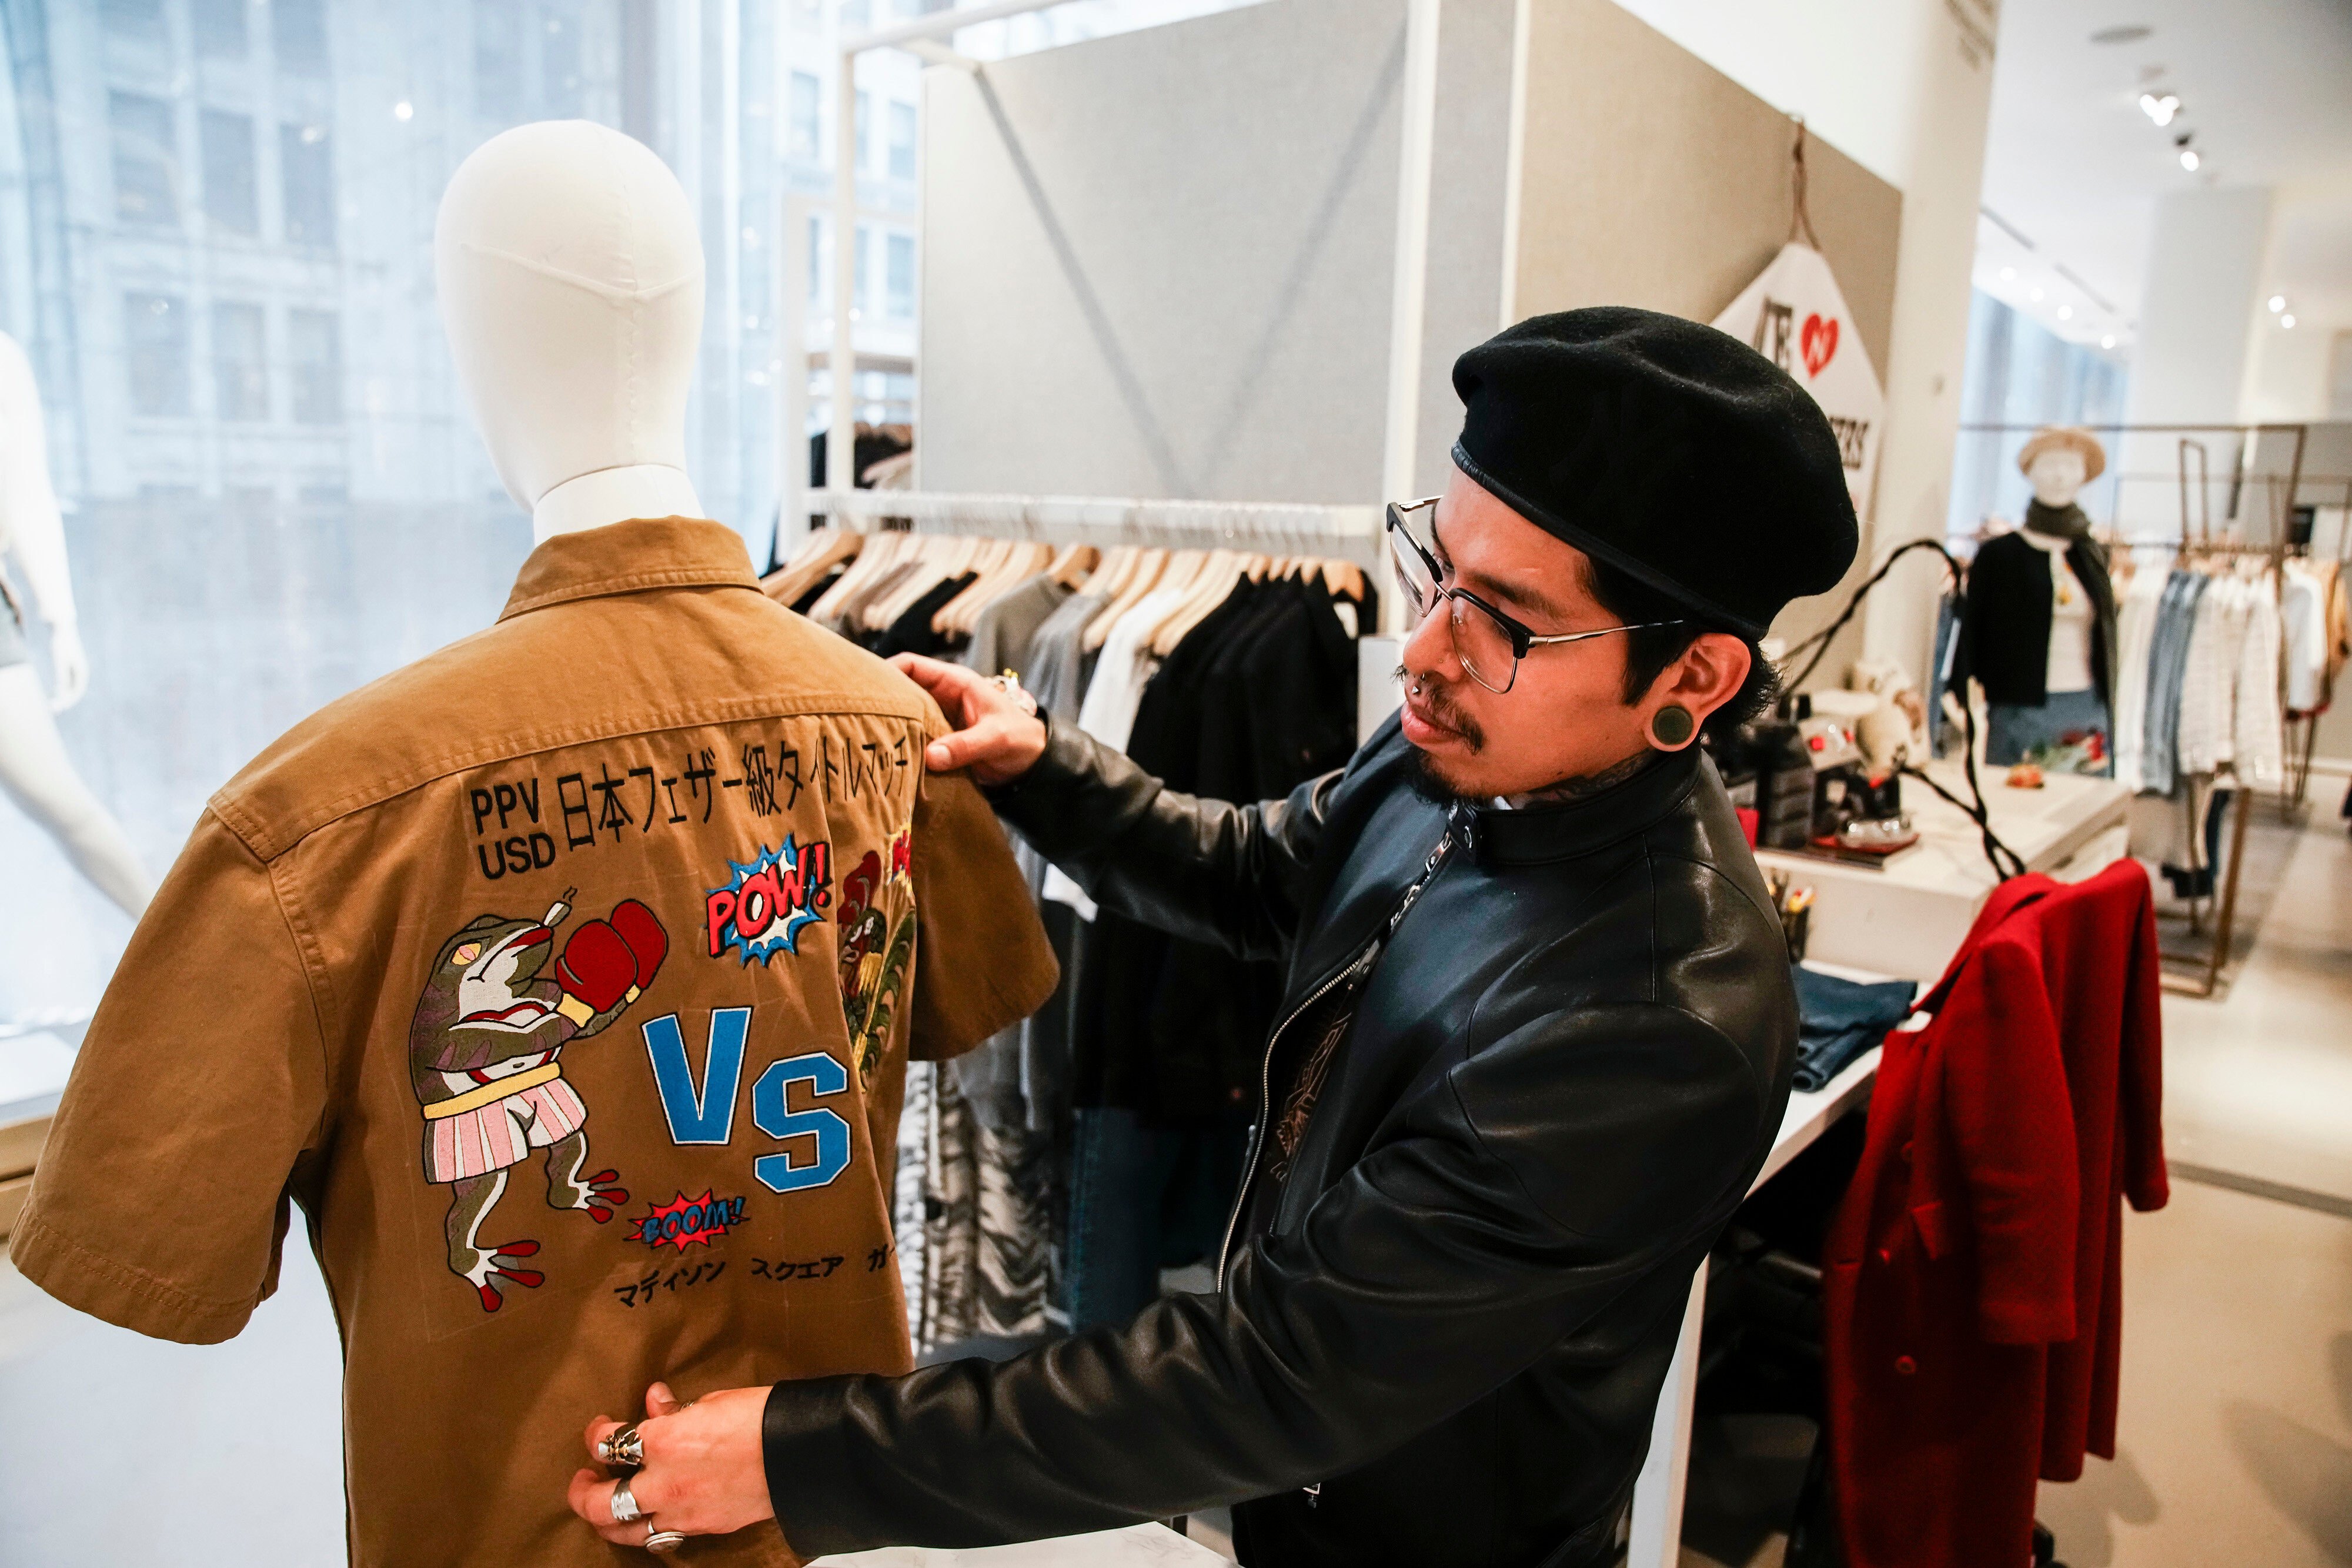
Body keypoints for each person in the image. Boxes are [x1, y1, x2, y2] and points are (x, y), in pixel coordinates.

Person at [562, 307, 1860, 1566]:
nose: (1420, 651)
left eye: (1505, 620)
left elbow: (1270, 1373)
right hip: (1283, 1502)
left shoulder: (1650, 1017)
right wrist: (1044, 766)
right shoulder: (1466, 747)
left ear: (1691, 678)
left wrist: (799, 1456)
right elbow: (1262, 870)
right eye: (1433, 571)